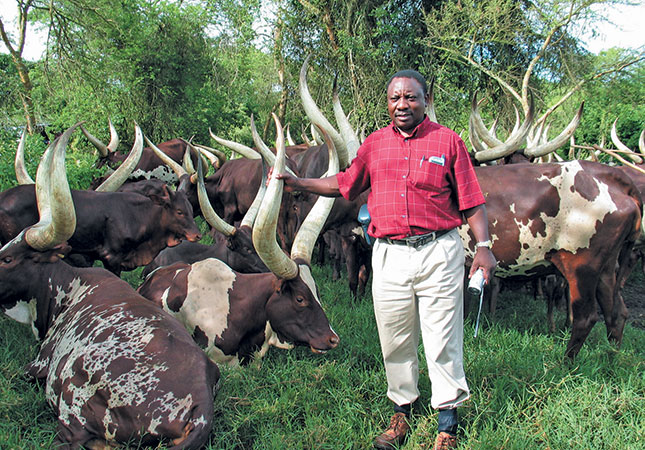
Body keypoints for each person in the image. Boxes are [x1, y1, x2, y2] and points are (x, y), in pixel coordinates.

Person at [275, 69, 497, 449]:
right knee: (394, 336)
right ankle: (402, 412)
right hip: (390, 255)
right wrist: (298, 183)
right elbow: (346, 183)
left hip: (438, 252)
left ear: (426, 100)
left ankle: (447, 424)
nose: (402, 105)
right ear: (388, 102)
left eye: (410, 97)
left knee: (442, 337)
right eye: (395, 98)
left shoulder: (448, 142)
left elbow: (472, 202)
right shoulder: (375, 144)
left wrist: (484, 246)